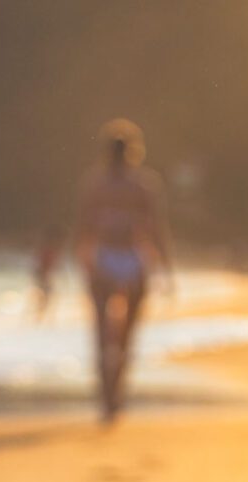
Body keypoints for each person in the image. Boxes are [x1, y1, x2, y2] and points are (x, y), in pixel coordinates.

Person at [74, 119, 173, 422]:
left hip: (104, 256)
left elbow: (84, 229)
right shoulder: (142, 184)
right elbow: (155, 229)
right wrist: (166, 270)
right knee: (127, 332)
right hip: (131, 257)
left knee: (101, 330)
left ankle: (107, 392)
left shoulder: (96, 184)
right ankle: (115, 389)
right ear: (134, 151)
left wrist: (83, 262)